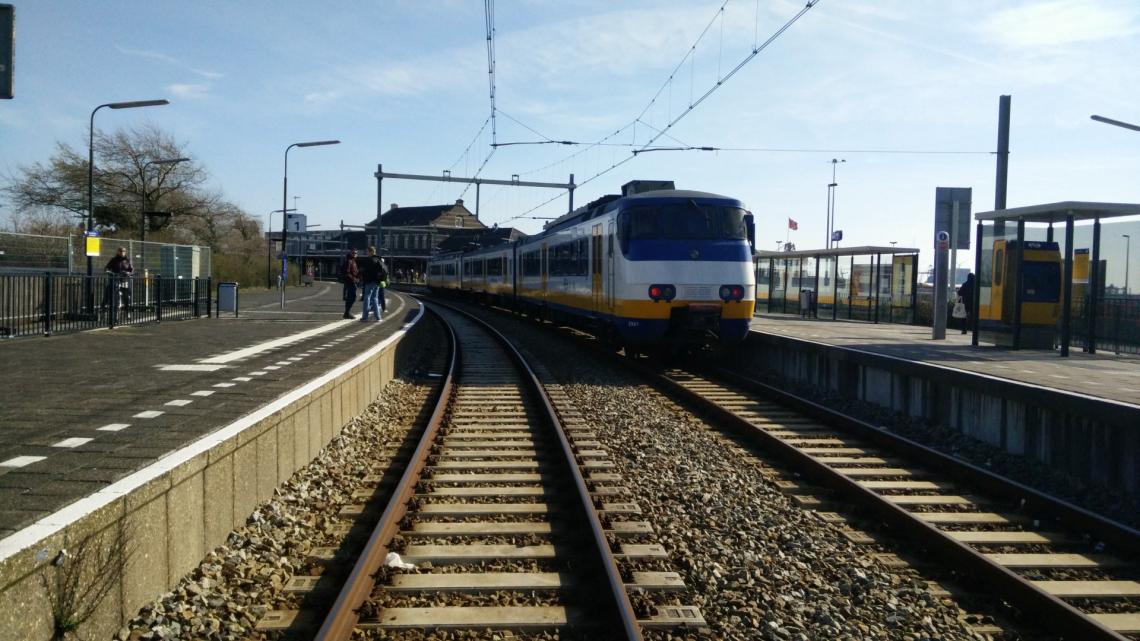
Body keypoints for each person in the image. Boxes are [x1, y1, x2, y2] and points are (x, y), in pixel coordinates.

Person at [358, 246, 386, 321]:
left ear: (371, 252)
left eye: (367, 251)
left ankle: (365, 317)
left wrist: (362, 278)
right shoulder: (379, 259)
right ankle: (378, 317)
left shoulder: (369, 260)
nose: (366, 253)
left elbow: (365, 271)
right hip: (377, 282)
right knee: (375, 298)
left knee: (367, 297)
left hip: (369, 281)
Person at [104, 246, 134, 312]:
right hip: (115, 279)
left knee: (126, 296)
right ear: (118, 252)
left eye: (123, 251)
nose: (122, 252)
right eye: (120, 251)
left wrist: (128, 273)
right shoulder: (113, 260)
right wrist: (110, 272)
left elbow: (131, 270)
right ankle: (104, 306)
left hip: (124, 280)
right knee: (108, 292)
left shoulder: (127, 260)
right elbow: (106, 268)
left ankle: (127, 310)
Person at [339, 248, 360, 319]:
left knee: (351, 297)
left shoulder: (353, 261)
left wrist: (358, 277)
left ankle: (347, 313)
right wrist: (354, 279)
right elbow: (347, 272)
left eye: (356, 253)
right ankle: (347, 313)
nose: (355, 254)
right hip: (350, 281)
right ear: (350, 253)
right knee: (352, 297)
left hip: (352, 281)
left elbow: (355, 271)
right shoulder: (349, 261)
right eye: (353, 253)